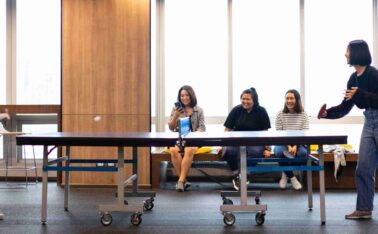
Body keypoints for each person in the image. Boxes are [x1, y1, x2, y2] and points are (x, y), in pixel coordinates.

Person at [318, 40, 378, 220]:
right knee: (363, 168)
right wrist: (326, 113)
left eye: (347, 51)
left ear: (357, 53)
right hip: (369, 121)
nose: (345, 54)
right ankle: (364, 209)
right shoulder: (353, 78)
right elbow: (345, 107)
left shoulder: (373, 74)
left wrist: (360, 93)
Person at [223, 87, 271, 191]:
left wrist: (267, 148)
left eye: (248, 99)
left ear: (254, 100)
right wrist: (222, 145)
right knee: (229, 150)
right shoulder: (236, 110)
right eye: (243, 99)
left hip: (256, 142)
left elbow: (265, 132)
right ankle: (237, 175)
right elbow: (227, 129)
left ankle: (245, 175)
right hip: (237, 141)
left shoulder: (261, 111)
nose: (245, 101)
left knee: (255, 151)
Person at [168, 85, 205, 192]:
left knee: (189, 149)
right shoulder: (176, 109)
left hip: (194, 140)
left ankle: (180, 182)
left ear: (191, 96)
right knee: (173, 150)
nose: (184, 98)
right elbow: (171, 128)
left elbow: (202, 128)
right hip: (179, 140)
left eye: (187, 95)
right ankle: (183, 180)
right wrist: (175, 115)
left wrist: (192, 136)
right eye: (182, 96)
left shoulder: (199, 110)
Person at [274, 89, 309, 190]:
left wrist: (295, 145)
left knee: (302, 154)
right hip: (282, 143)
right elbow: (279, 133)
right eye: (287, 98)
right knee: (280, 153)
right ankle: (292, 178)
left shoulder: (303, 114)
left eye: (291, 98)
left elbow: (304, 132)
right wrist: (289, 145)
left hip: (299, 143)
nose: (289, 101)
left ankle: (285, 173)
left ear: (297, 100)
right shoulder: (280, 114)